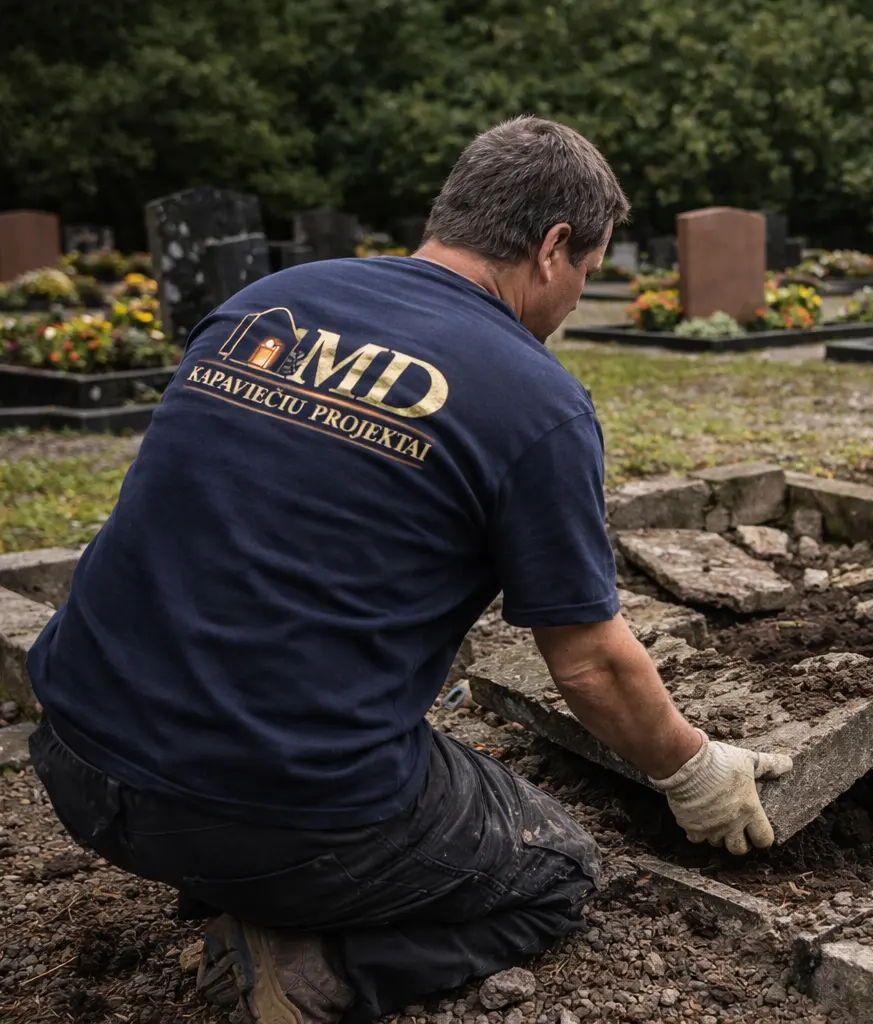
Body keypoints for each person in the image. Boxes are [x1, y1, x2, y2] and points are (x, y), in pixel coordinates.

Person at [26, 116, 790, 1024]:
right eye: (588, 272)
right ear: (553, 248)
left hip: (73, 751)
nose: (579, 298)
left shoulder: (266, 303)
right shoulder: (533, 401)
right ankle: (314, 971)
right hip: (260, 810)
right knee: (554, 868)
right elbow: (587, 660)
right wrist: (695, 772)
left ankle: (242, 869)